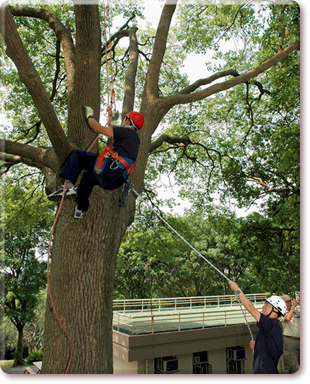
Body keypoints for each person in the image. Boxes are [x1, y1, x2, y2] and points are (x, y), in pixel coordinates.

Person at [48, 106, 144, 219]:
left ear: (128, 121)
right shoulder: (134, 139)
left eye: (124, 120)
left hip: (110, 169)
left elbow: (97, 128)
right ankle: (81, 208)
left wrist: (90, 116)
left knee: (78, 155)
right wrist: (112, 120)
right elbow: (114, 138)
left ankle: (68, 186)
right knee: (88, 178)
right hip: (116, 179)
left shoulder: (125, 132)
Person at [229, 281, 286, 374]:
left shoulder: (271, 324)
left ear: (275, 310)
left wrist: (237, 290)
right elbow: (272, 349)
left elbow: (251, 308)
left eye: (267, 305)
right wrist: (259, 346)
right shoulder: (272, 327)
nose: (263, 307)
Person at [280, 294, 300, 373]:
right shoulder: (281, 312)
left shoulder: (296, 312)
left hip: (300, 340)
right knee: (292, 365)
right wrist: (293, 308)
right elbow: (287, 318)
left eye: (290, 301)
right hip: (289, 340)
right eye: (287, 302)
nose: (290, 303)